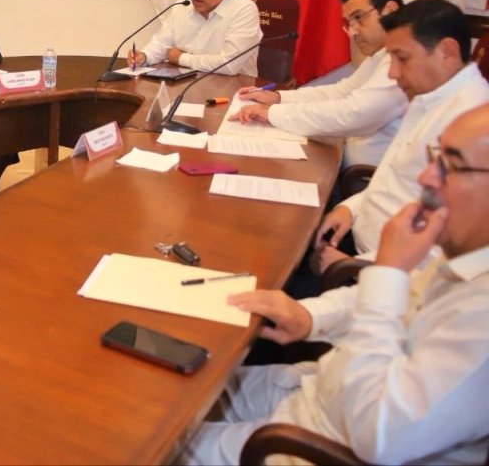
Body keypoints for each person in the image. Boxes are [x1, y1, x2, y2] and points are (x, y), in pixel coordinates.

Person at [180, 104, 489, 465]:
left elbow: (379, 435)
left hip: (315, 444)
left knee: (147, 442)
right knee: (173, 390)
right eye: (436, 158)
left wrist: (388, 271)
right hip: (319, 388)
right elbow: (402, 299)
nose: (426, 177)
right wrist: (310, 316)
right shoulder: (470, 253)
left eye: (450, 165)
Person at [312, 0, 489, 274]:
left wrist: (354, 267)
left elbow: (442, 257)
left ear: (447, 52)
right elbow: (393, 177)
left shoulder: (470, 126)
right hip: (360, 246)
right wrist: (350, 209)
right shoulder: (429, 95)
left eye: (402, 58)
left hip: (378, 273)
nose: (393, 73)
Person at [229, 0, 408, 167]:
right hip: (344, 161)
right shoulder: (384, 54)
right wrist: (278, 98)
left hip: (363, 177)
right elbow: (342, 92)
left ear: (390, 10)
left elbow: (353, 113)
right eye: (349, 23)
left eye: (358, 18)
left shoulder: (406, 59)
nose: (353, 32)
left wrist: (272, 113)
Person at [126, 0, 262, 76]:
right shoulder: (182, 6)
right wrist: (144, 56)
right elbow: (161, 44)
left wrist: (181, 58)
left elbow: (228, 65)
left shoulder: (243, 10)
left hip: (233, 89)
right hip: (187, 85)